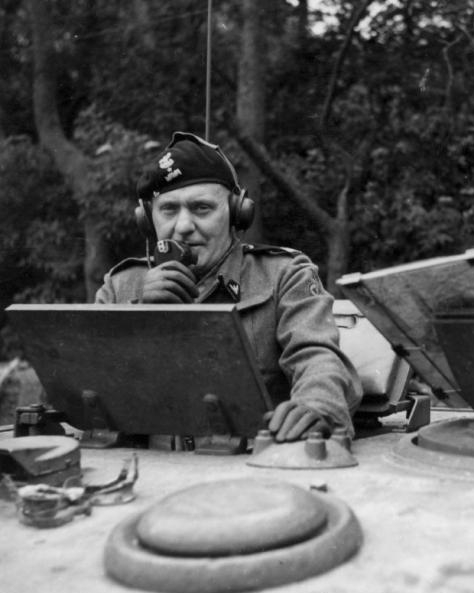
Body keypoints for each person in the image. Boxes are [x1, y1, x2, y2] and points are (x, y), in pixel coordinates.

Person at [95, 131, 362, 440]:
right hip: (148, 470)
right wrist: (140, 320)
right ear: (147, 219)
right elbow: (87, 389)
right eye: (168, 210)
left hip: (253, 465)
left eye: (201, 208)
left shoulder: (283, 276)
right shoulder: (120, 288)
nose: (183, 227)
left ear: (237, 213)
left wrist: (317, 407)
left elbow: (317, 357)